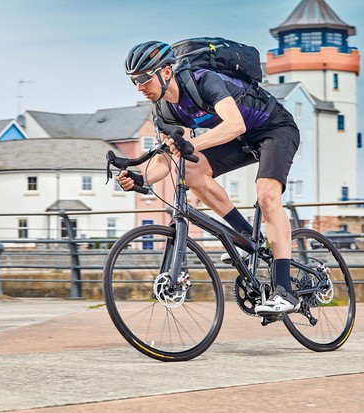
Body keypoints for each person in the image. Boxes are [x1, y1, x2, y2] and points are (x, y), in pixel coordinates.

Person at [117, 41, 301, 315]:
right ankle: (246, 237)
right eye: (134, 81)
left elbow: (234, 123)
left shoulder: (202, 80)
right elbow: (166, 158)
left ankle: (285, 291)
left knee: (266, 196)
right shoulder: (164, 111)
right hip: (239, 139)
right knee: (190, 169)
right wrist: (140, 178)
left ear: (166, 72)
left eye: (144, 77)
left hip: (274, 128)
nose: (140, 86)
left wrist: (192, 145)